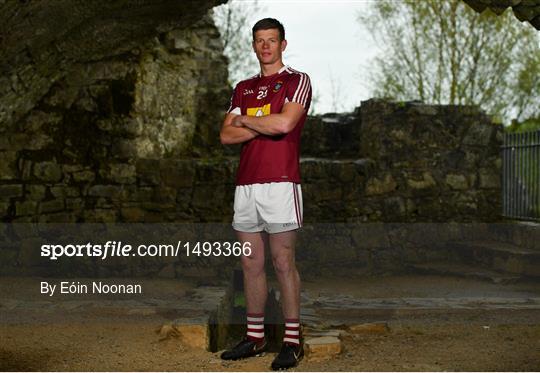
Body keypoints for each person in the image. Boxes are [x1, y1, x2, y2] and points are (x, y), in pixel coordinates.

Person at [219, 17, 311, 371]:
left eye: (272, 40)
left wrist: (245, 121)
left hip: (281, 183)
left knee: (282, 262)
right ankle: (254, 338)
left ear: (283, 44)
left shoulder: (296, 81)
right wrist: (264, 122)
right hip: (246, 185)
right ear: (254, 45)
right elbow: (226, 137)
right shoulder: (242, 87)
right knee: (250, 263)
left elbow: (286, 124)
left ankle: (291, 341)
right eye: (260, 41)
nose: (266, 46)